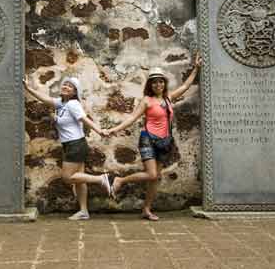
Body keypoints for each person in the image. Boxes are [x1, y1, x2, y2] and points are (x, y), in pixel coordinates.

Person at [107, 55, 201, 221]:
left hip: (165, 142)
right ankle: (121, 180)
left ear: (164, 83)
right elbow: (131, 118)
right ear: (150, 84)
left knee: (155, 178)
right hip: (148, 139)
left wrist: (196, 68)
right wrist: (113, 129)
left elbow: (186, 85)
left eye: (161, 81)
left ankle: (146, 209)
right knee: (151, 175)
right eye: (154, 82)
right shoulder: (147, 100)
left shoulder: (168, 98)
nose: (158, 84)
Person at [23, 76, 112, 220]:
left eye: (70, 86)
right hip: (74, 144)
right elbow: (46, 99)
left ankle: (101, 179)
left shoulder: (73, 104)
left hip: (75, 144)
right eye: (65, 84)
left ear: (74, 92)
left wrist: (99, 130)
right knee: (79, 180)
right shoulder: (61, 103)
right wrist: (28, 88)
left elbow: (84, 119)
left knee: (68, 177)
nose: (66, 87)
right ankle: (84, 211)